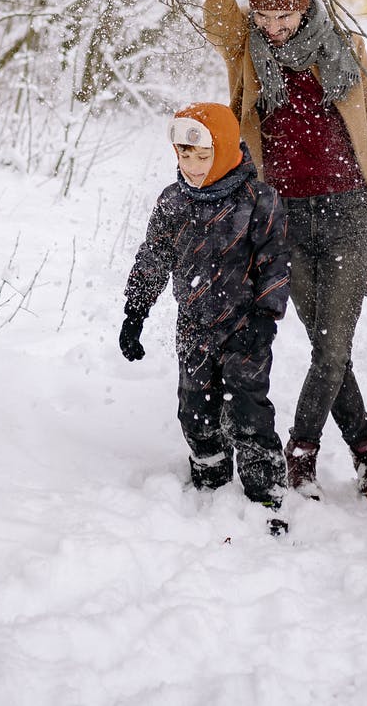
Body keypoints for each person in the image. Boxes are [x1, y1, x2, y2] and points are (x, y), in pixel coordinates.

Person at [202, 0, 367, 499]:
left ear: (305, 7)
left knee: (335, 341)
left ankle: (303, 450)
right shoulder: (245, 49)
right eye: (264, 14)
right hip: (282, 214)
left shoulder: (341, 46)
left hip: (348, 210)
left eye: (285, 14)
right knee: (326, 344)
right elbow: (215, 9)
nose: (276, 26)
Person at [121, 102, 293, 534]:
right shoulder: (173, 202)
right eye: (185, 156)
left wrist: (266, 316)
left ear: (228, 150)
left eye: (203, 156)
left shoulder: (259, 200)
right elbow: (154, 257)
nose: (194, 167)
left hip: (246, 325)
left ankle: (264, 486)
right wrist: (135, 311)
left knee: (248, 408)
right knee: (195, 408)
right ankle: (210, 475)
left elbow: (275, 263)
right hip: (193, 325)